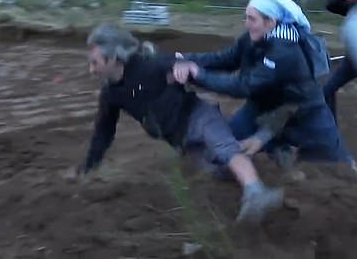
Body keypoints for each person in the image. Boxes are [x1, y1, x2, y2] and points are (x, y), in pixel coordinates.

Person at [68, 23, 283, 223]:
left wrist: (181, 66)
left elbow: (175, 62)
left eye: (95, 63)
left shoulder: (147, 65)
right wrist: (89, 166)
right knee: (218, 170)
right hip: (180, 138)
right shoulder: (110, 94)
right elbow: (103, 132)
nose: (91, 69)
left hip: (198, 115)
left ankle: (257, 192)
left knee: (225, 148)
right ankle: (263, 148)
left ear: (113, 58)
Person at [172, 0, 354, 166]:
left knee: (338, 169)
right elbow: (225, 59)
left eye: (252, 19)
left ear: (271, 22)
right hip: (261, 107)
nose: (246, 24)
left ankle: (275, 143)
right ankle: (275, 146)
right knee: (221, 153)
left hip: (303, 113)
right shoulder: (253, 38)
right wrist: (185, 58)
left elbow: (245, 86)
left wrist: (197, 74)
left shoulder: (284, 51)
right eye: (246, 17)